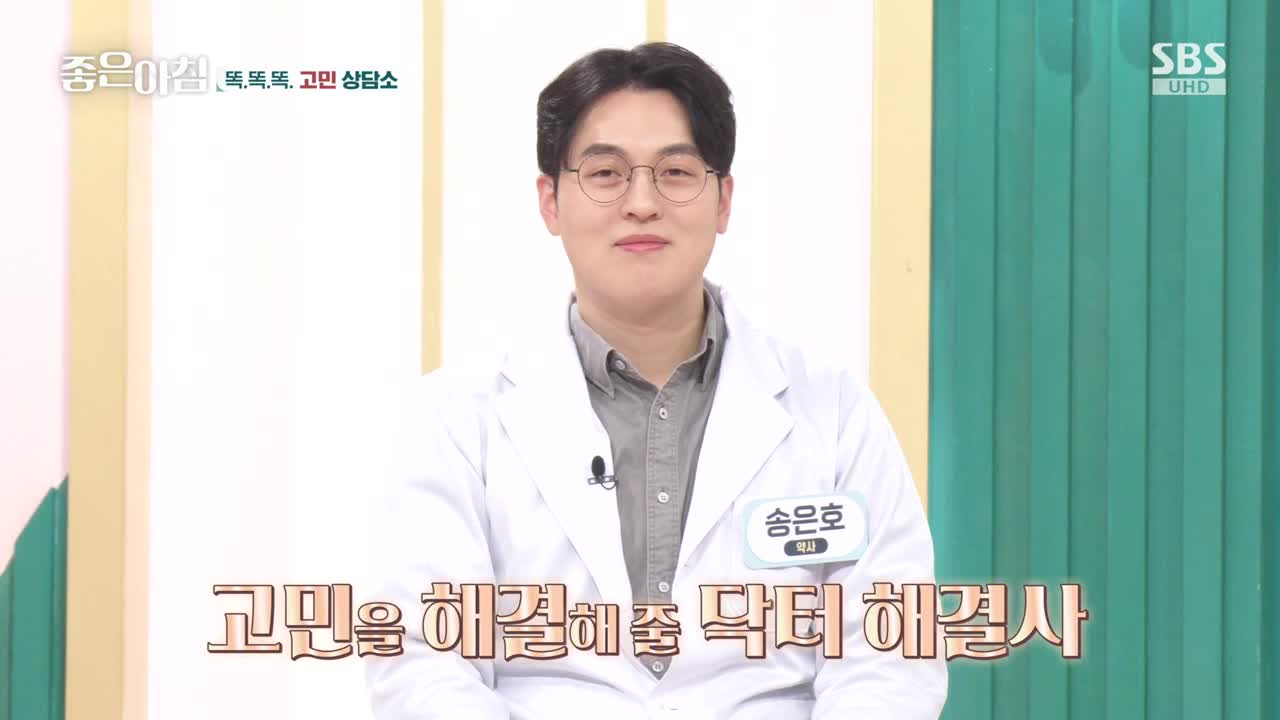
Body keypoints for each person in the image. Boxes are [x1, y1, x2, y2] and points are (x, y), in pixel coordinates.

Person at [366, 42, 946, 719]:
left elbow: (889, 654)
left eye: (675, 172)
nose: (641, 203)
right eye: (605, 173)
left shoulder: (834, 410)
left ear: (723, 200)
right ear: (550, 202)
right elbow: (422, 660)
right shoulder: (455, 417)